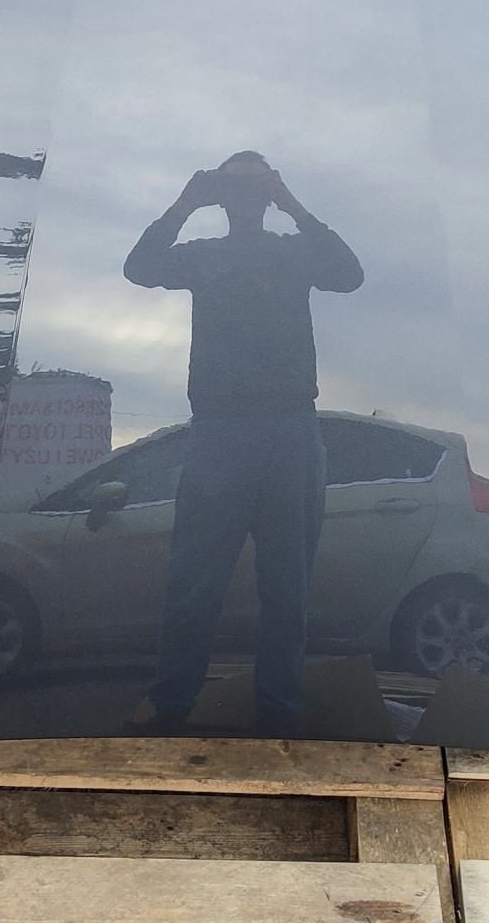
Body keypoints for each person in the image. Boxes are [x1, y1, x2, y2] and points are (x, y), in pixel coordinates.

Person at [125, 150, 363, 735]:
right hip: (220, 432)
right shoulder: (204, 255)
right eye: (237, 186)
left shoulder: (293, 251)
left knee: (288, 588)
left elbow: (349, 275)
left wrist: (295, 205)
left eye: (258, 187)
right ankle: (171, 707)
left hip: (289, 429)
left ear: (269, 194)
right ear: (222, 196)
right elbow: (139, 267)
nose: (247, 197)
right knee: (193, 584)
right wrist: (184, 203)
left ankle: (278, 714)